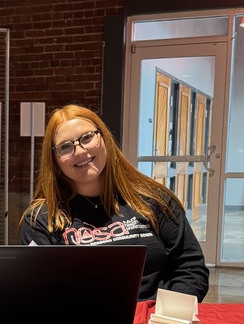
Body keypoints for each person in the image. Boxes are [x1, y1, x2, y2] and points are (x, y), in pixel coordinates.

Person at [20, 104, 209, 302]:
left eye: (87, 138)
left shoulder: (155, 199)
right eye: (65, 147)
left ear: (104, 139)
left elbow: (190, 268)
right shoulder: (41, 219)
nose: (80, 151)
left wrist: (169, 318)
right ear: (55, 160)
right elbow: (42, 290)